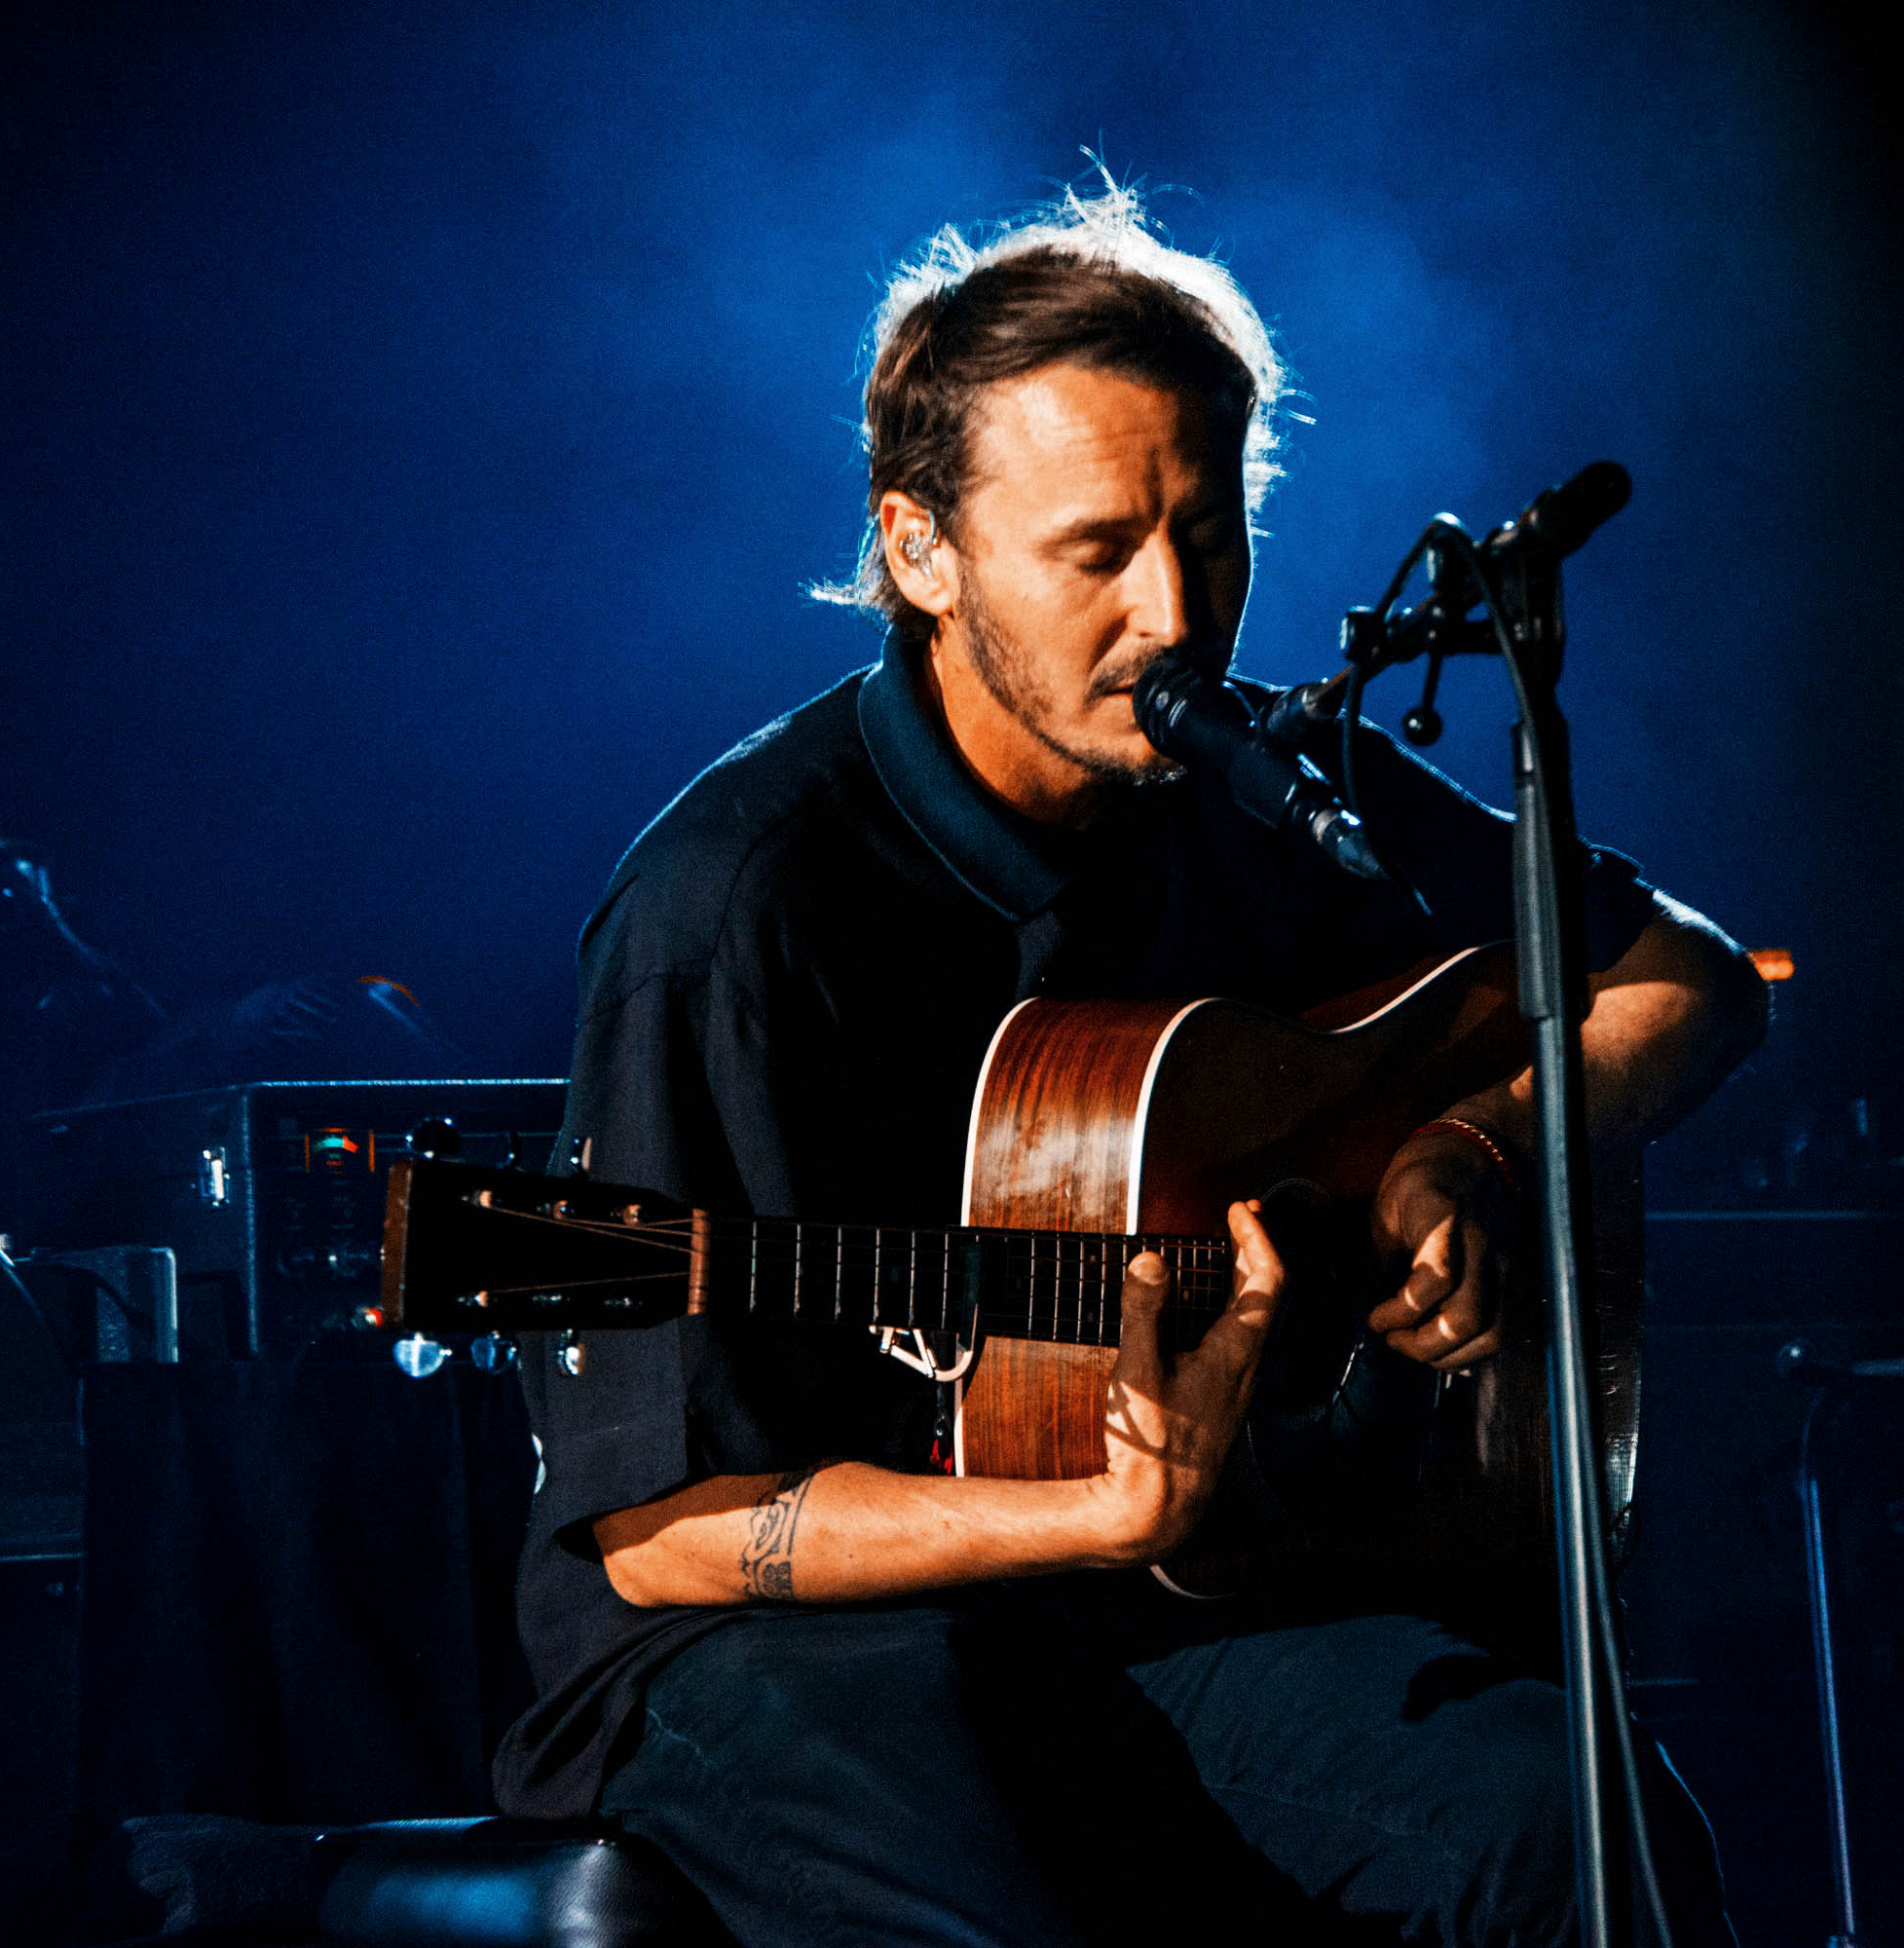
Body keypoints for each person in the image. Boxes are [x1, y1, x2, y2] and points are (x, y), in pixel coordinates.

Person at [495, 181, 1768, 1947]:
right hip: (781, 1640)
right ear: (922, 551)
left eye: (1212, 537)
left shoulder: (1265, 798)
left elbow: (1690, 977)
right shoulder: (728, 914)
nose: (1175, 613)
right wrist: (1090, 1514)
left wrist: (1475, 1142)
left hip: (1175, 1593)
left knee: (1582, 1828)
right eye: (1096, 552)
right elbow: (658, 1534)